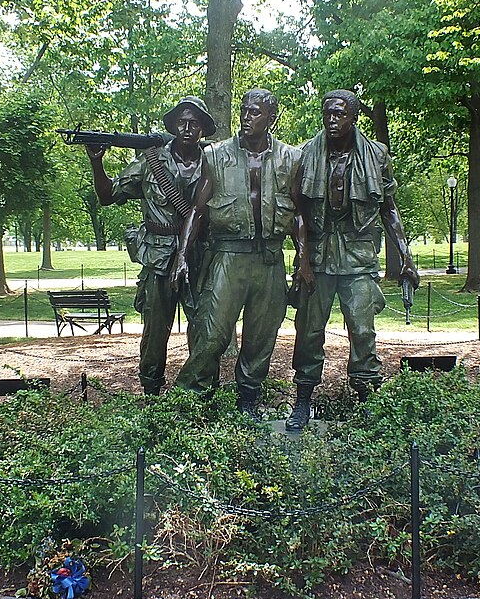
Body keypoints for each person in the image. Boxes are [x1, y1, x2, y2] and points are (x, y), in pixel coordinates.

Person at [169, 89, 313, 415]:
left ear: (271, 118)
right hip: (228, 257)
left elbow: (298, 212)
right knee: (212, 335)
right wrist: (181, 256)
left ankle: (248, 403)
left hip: (270, 259)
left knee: (261, 339)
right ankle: (187, 403)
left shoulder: (291, 158)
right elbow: (198, 209)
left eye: (255, 112)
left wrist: (303, 260)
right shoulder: (216, 155)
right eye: (244, 111)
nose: (246, 117)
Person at [286, 90, 419, 431]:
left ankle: (367, 399)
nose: (331, 120)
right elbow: (295, 212)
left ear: (353, 117)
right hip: (317, 258)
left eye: (339, 114)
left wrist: (405, 256)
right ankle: (302, 401)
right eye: (327, 114)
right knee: (309, 331)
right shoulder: (304, 155)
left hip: (359, 257)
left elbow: (388, 209)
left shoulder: (376, 156)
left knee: (362, 329)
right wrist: (302, 260)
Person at [86, 96, 214, 395]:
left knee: (204, 328)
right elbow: (107, 196)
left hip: (199, 256)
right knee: (155, 332)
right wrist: (96, 161)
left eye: (193, 123)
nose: (186, 128)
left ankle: (201, 392)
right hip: (157, 256)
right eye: (181, 122)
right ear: (171, 126)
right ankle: (152, 394)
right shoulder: (150, 160)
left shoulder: (215, 161)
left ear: (202, 129)